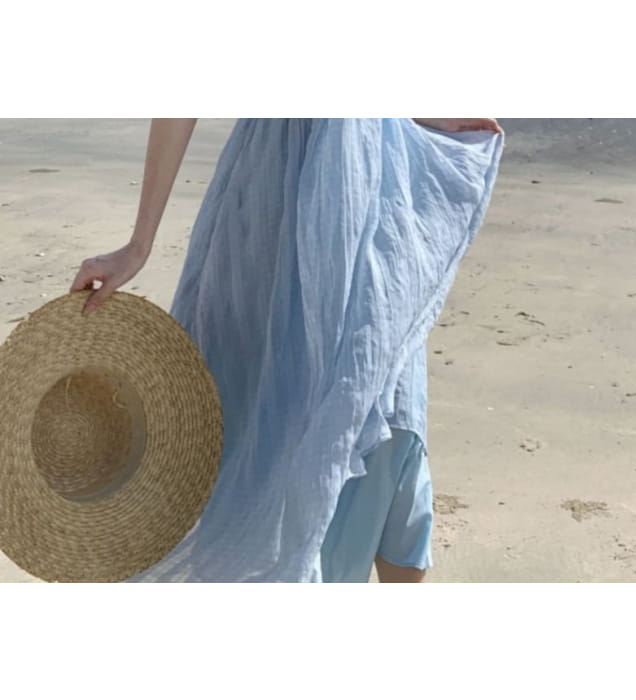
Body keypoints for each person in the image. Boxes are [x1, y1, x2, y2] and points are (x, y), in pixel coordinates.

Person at [70, 118, 504, 582]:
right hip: (274, 198)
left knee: (383, 405)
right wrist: (138, 245)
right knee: (249, 419)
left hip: (366, 184)